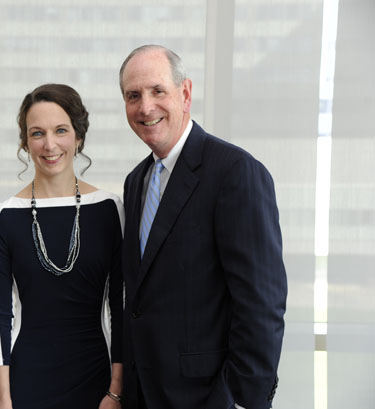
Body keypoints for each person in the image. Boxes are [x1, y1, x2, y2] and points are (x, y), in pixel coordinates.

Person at [119, 45, 287, 409]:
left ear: (185, 93)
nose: (145, 107)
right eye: (133, 96)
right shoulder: (136, 182)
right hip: (143, 396)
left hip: (209, 398)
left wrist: (239, 400)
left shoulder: (235, 172)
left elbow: (261, 304)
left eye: (157, 91)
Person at [0, 83, 124, 409]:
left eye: (60, 130)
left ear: (78, 137)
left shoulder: (108, 208)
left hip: (96, 378)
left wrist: (116, 390)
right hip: (26, 381)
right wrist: (2, 398)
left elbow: (120, 307)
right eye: (37, 133)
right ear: (25, 142)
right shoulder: (5, 215)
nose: (49, 144)